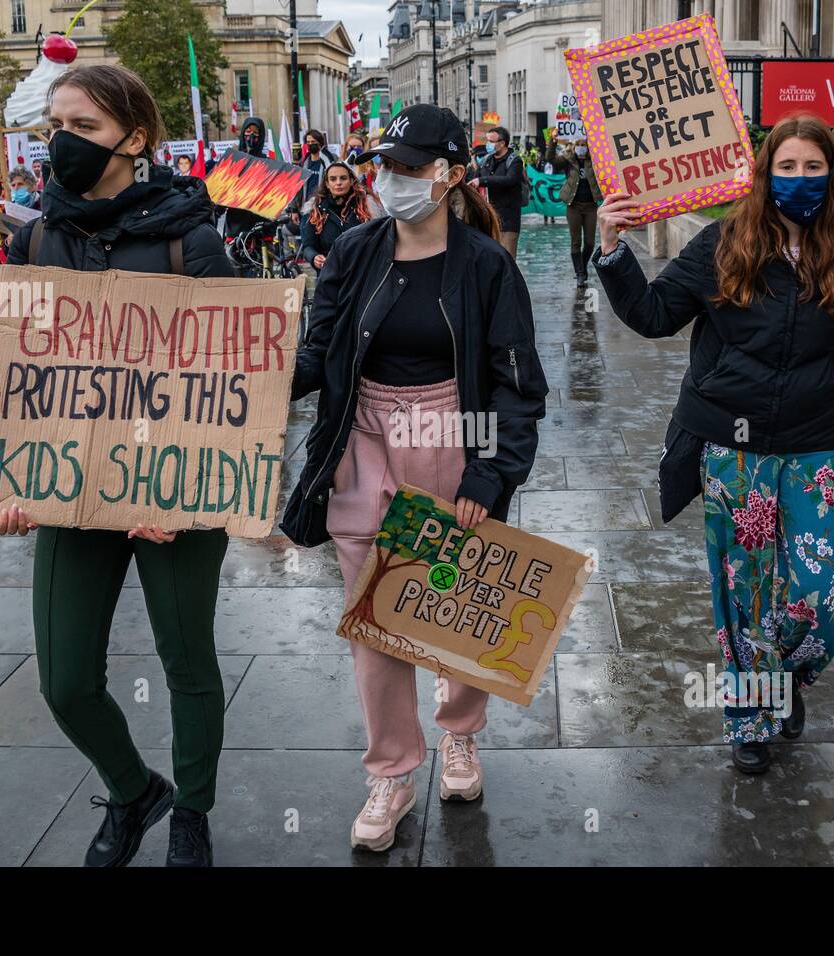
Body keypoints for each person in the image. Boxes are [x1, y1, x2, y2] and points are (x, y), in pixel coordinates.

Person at [592, 114, 834, 775]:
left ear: (832, 176)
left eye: (813, 168)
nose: (801, 179)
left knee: (810, 591)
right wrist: (611, 248)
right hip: (732, 447)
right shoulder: (721, 244)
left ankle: (791, 671)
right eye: (787, 167)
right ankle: (751, 712)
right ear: (765, 175)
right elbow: (652, 316)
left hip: (810, 445)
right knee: (746, 592)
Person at [282, 104, 548, 851]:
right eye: (385, 165)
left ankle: (460, 730)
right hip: (363, 439)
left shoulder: (487, 266)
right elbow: (319, 350)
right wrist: (255, 380)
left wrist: (491, 477)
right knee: (374, 613)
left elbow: (519, 384)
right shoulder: (356, 251)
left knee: (450, 596)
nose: (390, 179)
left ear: (450, 175)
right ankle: (393, 769)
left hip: (451, 438)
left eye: (407, 167)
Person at [0, 64, 238, 867]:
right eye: (55, 125)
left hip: (174, 495)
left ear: (135, 139)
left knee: (186, 660)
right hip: (72, 485)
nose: (62, 143)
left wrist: (183, 489)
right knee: (65, 680)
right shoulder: (35, 239)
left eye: (85, 128)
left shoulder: (188, 239)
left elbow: (239, 381)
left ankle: (192, 814)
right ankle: (135, 791)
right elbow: (11, 375)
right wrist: (4, 473)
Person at [545, 136, 601, 287]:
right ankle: (580, 273)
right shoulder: (568, 160)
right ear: (574, 146)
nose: (581, 147)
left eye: (584, 145)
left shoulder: (595, 160)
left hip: (590, 206)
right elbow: (550, 159)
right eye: (579, 145)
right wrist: (553, 141)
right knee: (576, 241)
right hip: (574, 206)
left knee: (589, 243)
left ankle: (581, 266)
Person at [299, 160, 371, 272]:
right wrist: (314, 257)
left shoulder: (365, 208)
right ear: (327, 184)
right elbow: (308, 246)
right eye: (333, 179)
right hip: (330, 275)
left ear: (351, 181)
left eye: (343, 178)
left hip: (362, 274)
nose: (338, 183)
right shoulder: (315, 210)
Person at [466, 125, 523, 257]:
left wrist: (483, 181)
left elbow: (510, 180)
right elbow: (476, 178)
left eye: (491, 141)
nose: (488, 144)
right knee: (489, 257)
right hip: (489, 218)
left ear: (502, 143)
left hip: (508, 220)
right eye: (487, 141)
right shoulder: (486, 160)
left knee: (507, 258)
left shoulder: (514, 161)